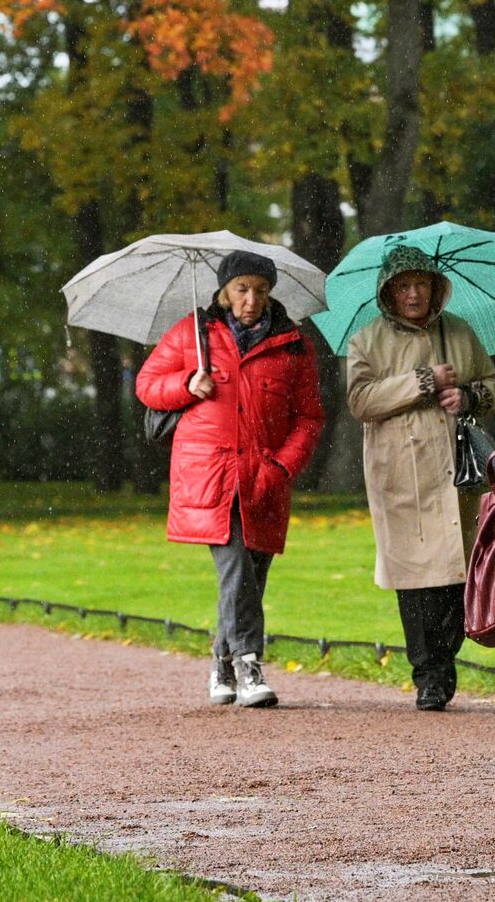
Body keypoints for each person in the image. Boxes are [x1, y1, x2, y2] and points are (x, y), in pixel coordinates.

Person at [137, 250, 324, 708]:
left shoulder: (294, 344)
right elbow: (146, 384)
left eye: (261, 290)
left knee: (251, 576)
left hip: (265, 475)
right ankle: (248, 665)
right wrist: (186, 384)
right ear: (224, 290)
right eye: (242, 288)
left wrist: (282, 467)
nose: (251, 299)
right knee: (237, 566)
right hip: (211, 476)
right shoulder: (192, 334)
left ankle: (220, 662)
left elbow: (309, 417)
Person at [346, 245, 495, 712]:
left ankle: (444, 659)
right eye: (404, 286)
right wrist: (422, 381)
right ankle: (428, 673)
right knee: (415, 578)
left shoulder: (458, 331)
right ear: (388, 292)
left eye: (422, 284)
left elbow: (494, 384)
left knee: (458, 570)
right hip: (401, 474)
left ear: (435, 288)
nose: (414, 294)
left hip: (457, 472)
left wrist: (469, 397)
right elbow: (360, 400)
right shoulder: (367, 340)